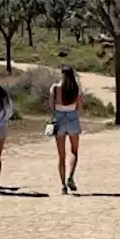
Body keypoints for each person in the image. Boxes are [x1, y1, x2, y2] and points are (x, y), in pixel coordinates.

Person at [49, 65, 83, 194]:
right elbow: (79, 107)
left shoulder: (55, 88)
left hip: (59, 119)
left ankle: (63, 185)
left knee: (61, 155)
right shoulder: (76, 88)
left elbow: (51, 106)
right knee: (74, 151)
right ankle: (71, 176)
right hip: (72, 118)